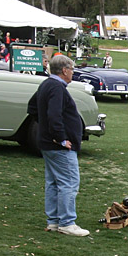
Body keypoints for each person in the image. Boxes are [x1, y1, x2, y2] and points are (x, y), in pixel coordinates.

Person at [26, 54, 89, 237]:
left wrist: (45, 128)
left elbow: (32, 108)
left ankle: (53, 221)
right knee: (69, 182)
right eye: (72, 69)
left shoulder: (46, 84)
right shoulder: (57, 88)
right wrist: (60, 138)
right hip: (59, 146)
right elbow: (54, 115)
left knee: (53, 182)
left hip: (47, 143)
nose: (72, 73)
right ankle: (67, 222)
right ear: (64, 70)